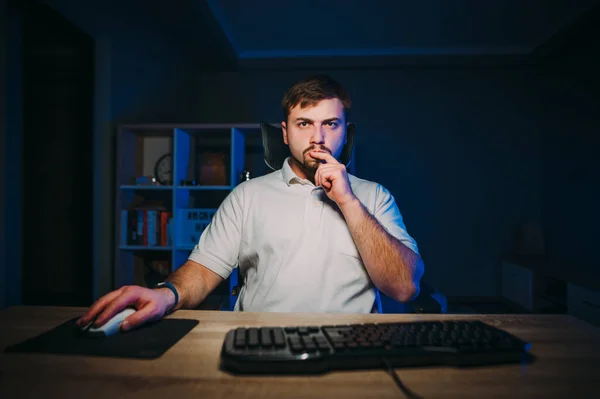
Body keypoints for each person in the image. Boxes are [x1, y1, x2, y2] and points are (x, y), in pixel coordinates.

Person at [77, 74, 424, 332]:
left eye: (330, 124)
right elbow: (203, 270)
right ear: (285, 134)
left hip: (352, 344)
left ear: (345, 132)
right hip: (259, 340)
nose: (318, 138)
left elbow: (404, 287)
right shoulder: (247, 196)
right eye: (304, 124)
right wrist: (165, 294)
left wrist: (348, 201)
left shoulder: (375, 196)